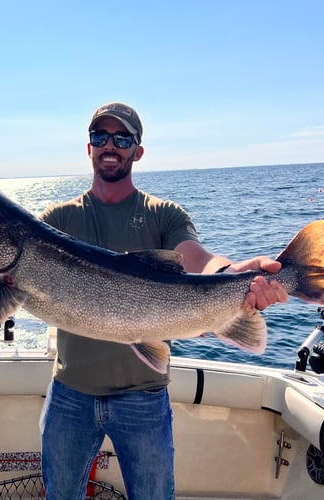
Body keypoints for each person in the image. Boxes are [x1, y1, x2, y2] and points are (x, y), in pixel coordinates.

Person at [38, 102, 288, 499]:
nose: (110, 145)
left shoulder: (163, 215)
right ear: (88, 148)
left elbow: (200, 261)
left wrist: (238, 277)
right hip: (71, 391)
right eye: (100, 136)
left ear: (137, 151)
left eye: (122, 138)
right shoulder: (58, 219)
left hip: (144, 395)